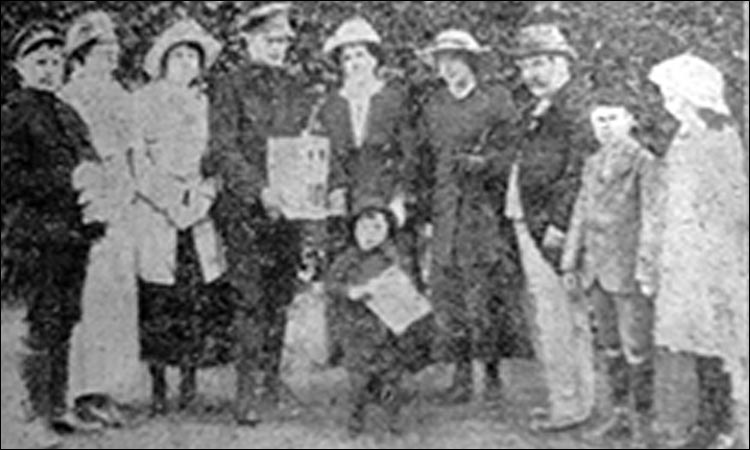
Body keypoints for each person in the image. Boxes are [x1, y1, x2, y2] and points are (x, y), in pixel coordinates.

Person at [204, 2, 315, 426]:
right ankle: (246, 394)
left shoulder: (295, 85)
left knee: (280, 299)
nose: (279, 48)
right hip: (246, 211)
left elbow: (304, 145)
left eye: (285, 41)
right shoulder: (229, 86)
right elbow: (223, 149)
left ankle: (271, 386)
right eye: (271, 40)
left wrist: (306, 185)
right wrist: (259, 190)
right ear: (248, 40)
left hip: (288, 211)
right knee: (250, 300)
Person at [1, 21, 103, 448]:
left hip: (71, 235)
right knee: (39, 322)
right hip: (34, 233)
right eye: (39, 62)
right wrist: (66, 179)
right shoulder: (13, 112)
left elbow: (90, 159)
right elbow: (8, 176)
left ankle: (58, 410)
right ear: (18, 66)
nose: (48, 70)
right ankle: (33, 416)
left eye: (55, 62)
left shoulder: (67, 111)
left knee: (65, 318)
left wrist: (94, 183)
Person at [418, 29, 530, 405]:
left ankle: (494, 378)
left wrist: (485, 164)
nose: (448, 68)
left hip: (483, 212)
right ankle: (462, 377)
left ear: (471, 62)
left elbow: (514, 152)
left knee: (485, 295)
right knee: (450, 298)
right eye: (442, 61)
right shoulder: (434, 106)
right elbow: (424, 160)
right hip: (446, 210)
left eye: (455, 59)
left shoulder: (495, 101)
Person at [133, 18, 234, 417]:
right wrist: (172, 201)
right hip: (158, 213)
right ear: (163, 61)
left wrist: (203, 196)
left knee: (195, 302)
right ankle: (159, 389)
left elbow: (217, 158)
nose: (186, 63)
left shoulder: (205, 104)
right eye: (179, 55)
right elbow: (138, 160)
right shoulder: (142, 101)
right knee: (159, 303)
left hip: (199, 213)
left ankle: (189, 385)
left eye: (193, 56)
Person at [649, 54, 749, 450]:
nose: (666, 101)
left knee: (717, 342)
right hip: (684, 254)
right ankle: (705, 423)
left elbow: (733, 205)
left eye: (670, 93)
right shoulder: (684, 136)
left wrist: (708, 242)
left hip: (712, 257)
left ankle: (724, 426)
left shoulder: (719, 137)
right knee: (693, 342)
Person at [318, 16, 427, 370]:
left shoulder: (394, 100)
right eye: (347, 58)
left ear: (375, 59)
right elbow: (322, 153)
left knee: (393, 274)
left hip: (385, 200)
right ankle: (352, 361)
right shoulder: (331, 105)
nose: (354, 64)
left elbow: (410, 155)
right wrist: (332, 189)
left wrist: (399, 198)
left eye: (361, 55)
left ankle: (397, 363)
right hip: (346, 204)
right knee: (348, 274)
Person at [501, 23, 595, 431]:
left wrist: (559, 224)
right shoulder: (538, 106)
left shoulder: (576, 107)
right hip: (528, 221)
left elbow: (578, 171)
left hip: (553, 229)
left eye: (539, 63)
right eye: (525, 65)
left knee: (561, 316)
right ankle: (565, 400)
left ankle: (572, 406)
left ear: (563, 62)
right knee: (548, 314)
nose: (531, 74)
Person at [560, 88, 660, 448]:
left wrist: (646, 269)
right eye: (598, 119)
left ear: (631, 120)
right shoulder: (591, 163)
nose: (605, 126)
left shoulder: (644, 162)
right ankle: (617, 416)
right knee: (609, 345)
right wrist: (569, 260)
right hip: (595, 269)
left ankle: (642, 425)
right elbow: (580, 215)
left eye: (613, 118)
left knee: (637, 348)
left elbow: (652, 218)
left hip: (628, 270)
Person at [60, 11, 143, 426]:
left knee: (119, 301)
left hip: (123, 203)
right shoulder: (71, 97)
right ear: (81, 54)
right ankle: (83, 392)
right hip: (90, 206)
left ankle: (108, 390)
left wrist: (128, 192)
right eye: (100, 50)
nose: (110, 56)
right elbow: (78, 159)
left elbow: (130, 152)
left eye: (113, 50)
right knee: (89, 302)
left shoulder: (119, 94)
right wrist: (92, 201)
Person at [324, 196, 422, 438]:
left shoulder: (393, 258)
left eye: (377, 228)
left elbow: (409, 288)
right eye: (363, 228)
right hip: (357, 332)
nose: (369, 234)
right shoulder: (347, 259)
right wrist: (351, 291)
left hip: (387, 331)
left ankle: (394, 419)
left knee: (392, 378)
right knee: (358, 381)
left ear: (388, 231)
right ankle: (355, 420)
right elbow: (330, 285)